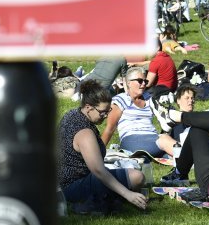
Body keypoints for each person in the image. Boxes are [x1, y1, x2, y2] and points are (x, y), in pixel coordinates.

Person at [58, 79, 147, 214]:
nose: (105, 116)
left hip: (60, 182)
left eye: (108, 111)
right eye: (102, 112)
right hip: (72, 187)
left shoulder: (72, 114)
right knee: (137, 177)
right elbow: (98, 170)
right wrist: (128, 194)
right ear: (88, 107)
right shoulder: (84, 133)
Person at [101, 66, 174, 157]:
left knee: (171, 150)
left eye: (145, 81)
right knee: (166, 141)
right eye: (140, 81)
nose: (143, 84)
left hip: (152, 138)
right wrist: (99, 152)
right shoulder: (120, 100)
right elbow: (110, 128)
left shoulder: (149, 99)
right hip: (131, 140)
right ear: (128, 83)